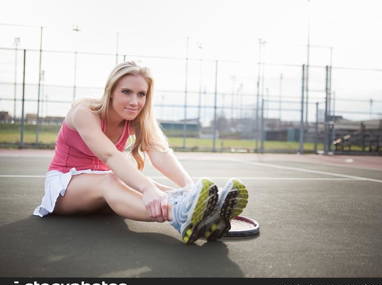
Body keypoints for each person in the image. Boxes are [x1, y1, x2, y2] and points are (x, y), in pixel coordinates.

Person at [33, 61, 248, 245]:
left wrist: (189, 188)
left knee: (156, 188)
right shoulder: (84, 112)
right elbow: (110, 156)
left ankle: (206, 213)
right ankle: (179, 216)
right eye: (126, 92)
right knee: (117, 181)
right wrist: (147, 188)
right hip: (64, 188)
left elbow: (161, 154)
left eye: (141, 94)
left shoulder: (137, 119)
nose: (135, 101)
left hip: (102, 190)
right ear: (111, 91)